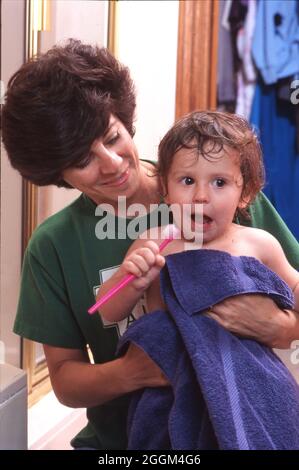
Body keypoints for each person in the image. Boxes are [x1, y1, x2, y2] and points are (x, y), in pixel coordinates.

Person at [2, 40, 299, 450]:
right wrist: (135, 372)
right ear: (58, 173)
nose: (111, 162)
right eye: (83, 159)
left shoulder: (224, 195)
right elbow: (67, 381)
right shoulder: (53, 246)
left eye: (111, 136)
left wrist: (282, 328)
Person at [97, 111, 299, 324]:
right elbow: (107, 312)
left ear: (245, 194)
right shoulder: (153, 244)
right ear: (165, 189)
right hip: (167, 356)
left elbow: (294, 289)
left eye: (219, 182)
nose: (201, 196)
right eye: (187, 180)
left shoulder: (260, 245)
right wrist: (129, 283)